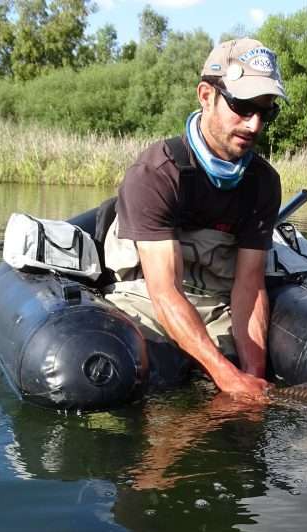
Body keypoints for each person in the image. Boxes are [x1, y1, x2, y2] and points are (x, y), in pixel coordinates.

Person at [102, 38, 286, 400]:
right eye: (243, 106)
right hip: (149, 300)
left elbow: (249, 286)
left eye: (266, 112)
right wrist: (227, 378)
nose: (254, 125)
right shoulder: (156, 173)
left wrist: (251, 379)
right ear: (205, 95)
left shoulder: (264, 183)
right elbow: (164, 291)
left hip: (217, 301)